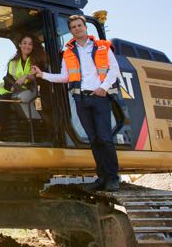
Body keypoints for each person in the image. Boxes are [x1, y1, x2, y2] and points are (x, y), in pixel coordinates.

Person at [32, 14, 121, 191]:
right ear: (71, 31)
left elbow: (114, 70)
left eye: (79, 25)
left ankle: (112, 177)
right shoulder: (69, 52)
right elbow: (65, 77)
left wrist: (103, 87)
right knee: (94, 140)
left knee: (105, 137)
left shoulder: (102, 47)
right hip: (81, 99)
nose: (77, 29)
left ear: (85, 27)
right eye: (73, 27)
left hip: (100, 97)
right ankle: (102, 177)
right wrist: (43, 75)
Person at [0, 34, 41, 136]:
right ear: (19, 45)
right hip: (9, 88)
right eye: (24, 43)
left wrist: (26, 77)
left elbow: (38, 76)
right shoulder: (13, 62)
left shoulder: (35, 60)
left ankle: (0, 130)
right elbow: (8, 77)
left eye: (30, 44)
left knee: (4, 101)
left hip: (27, 89)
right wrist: (11, 86)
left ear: (33, 47)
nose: (27, 46)